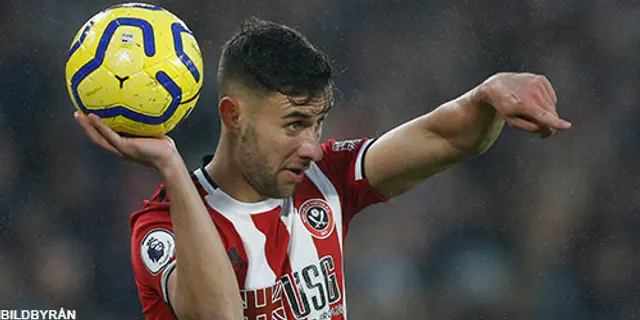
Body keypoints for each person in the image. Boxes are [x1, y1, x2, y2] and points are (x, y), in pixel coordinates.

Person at [74, 18, 571, 320]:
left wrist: (487, 95)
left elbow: (448, 136)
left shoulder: (325, 179)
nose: (312, 146)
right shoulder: (159, 227)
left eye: (318, 124)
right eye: (293, 125)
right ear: (232, 116)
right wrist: (170, 166)